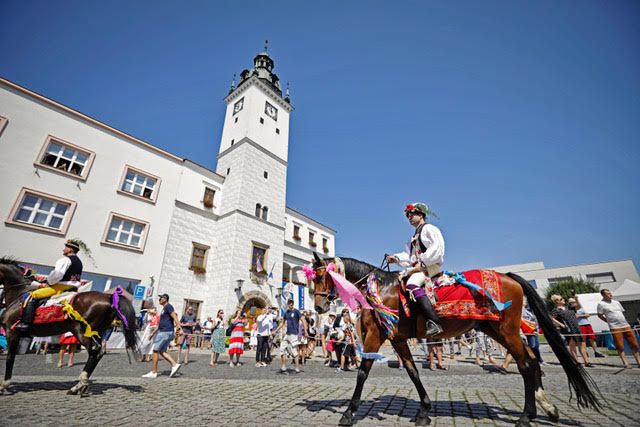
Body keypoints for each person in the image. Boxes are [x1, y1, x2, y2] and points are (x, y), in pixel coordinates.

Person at [386, 202, 444, 336]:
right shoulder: (415, 235)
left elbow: (437, 248)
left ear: (421, 214)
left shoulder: (429, 229)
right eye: (408, 216)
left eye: (411, 215)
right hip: (419, 267)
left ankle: (434, 321)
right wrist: (396, 258)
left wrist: (422, 262)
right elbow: (411, 256)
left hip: (430, 266)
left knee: (412, 285)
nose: (409, 218)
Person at [18, 240, 83, 333]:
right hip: (72, 288)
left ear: (70, 249)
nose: (63, 249)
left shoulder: (65, 260)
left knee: (30, 296)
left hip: (60, 287)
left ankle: (25, 324)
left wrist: (47, 282)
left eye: (65, 248)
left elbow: (57, 275)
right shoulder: (79, 262)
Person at [597, 289, 640, 368]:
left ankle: (639, 362)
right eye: (608, 293)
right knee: (620, 345)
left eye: (610, 293)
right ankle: (625, 363)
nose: (610, 294)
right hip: (615, 327)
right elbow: (599, 315)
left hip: (625, 325)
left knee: (634, 344)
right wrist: (608, 322)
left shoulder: (616, 302)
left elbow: (622, 312)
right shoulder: (601, 304)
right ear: (603, 295)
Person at [142, 293, 182, 378]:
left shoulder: (168, 306)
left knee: (155, 350)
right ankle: (174, 365)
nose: (159, 300)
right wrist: (152, 333)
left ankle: (154, 372)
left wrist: (179, 326)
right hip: (165, 331)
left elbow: (174, 315)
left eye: (160, 298)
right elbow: (160, 324)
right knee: (161, 351)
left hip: (165, 332)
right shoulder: (164, 309)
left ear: (165, 299)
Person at [550, 294, 592, 367]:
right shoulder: (556, 310)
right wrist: (561, 324)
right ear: (557, 301)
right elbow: (552, 318)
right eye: (561, 299)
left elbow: (578, 307)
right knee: (572, 345)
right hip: (567, 329)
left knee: (581, 344)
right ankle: (576, 362)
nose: (563, 300)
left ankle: (586, 361)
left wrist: (576, 299)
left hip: (576, 327)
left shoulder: (568, 307)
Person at [275, 299, 307, 374]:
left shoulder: (296, 311)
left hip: (294, 334)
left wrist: (305, 331)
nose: (290, 305)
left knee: (294, 352)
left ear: (293, 304)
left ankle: (297, 368)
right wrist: (276, 330)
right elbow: (282, 322)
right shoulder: (286, 313)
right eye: (289, 304)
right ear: (288, 304)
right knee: (282, 350)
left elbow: (303, 320)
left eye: (291, 304)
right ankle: (283, 367)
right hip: (287, 334)